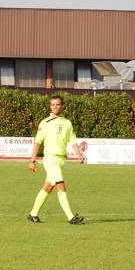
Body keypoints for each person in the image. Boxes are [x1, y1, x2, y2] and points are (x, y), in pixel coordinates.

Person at [27, 95, 85, 224]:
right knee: (61, 185)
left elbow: (72, 140)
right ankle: (71, 217)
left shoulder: (67, 123)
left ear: (62, 106)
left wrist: (79, 154)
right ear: (50, 106)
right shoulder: (45, 123)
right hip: (50, 159)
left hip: (61, 160)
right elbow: (37, 142)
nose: (55, 107)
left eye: (57, 104)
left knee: (48, 187)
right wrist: (32, 160)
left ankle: (33, 214)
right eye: (53, 105)